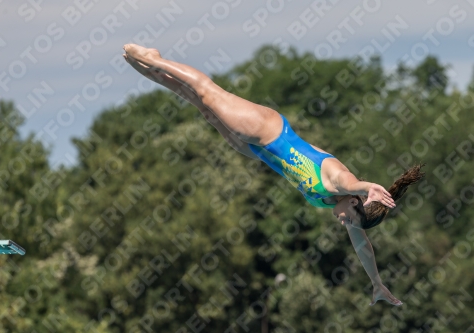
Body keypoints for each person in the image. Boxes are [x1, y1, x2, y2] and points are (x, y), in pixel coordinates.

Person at [123, 43, 425, 306]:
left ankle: (154, 73)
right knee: (208, 92)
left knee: (203, 108)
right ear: (356, 201)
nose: (344, 222)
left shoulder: (340, 205)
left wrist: (376, 282)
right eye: (350, 218)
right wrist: (369, 186)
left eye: (349, 223)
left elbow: (362, 246)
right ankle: (154, 59)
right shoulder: (338, 180)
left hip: (257, 151)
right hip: (267, 131)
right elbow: (354, 182)